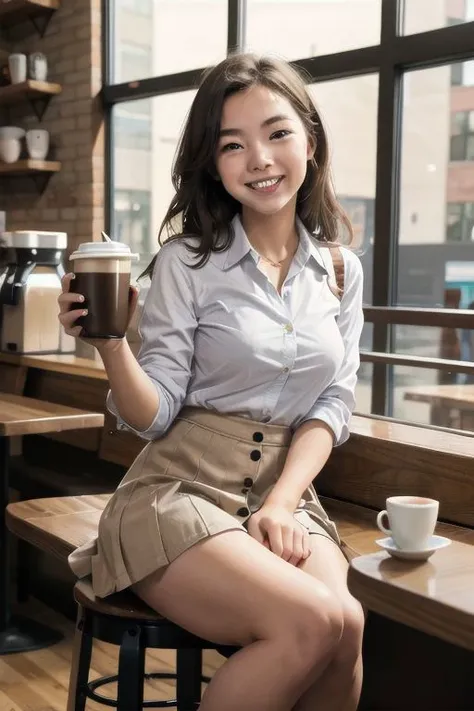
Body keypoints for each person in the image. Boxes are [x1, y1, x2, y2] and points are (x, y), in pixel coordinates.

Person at [58, 52, 365, 711]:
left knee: (348, 627)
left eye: (277, 133)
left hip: (286, 492)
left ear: (309, 140)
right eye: (233, 145)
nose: (259, 158)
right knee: (310, 620)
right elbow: (154, 413)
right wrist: (112, 344)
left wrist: (283, 502)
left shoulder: (340, 269)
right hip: (179, 488)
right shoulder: (186, 261)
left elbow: (334, 402)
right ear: (213, 163)